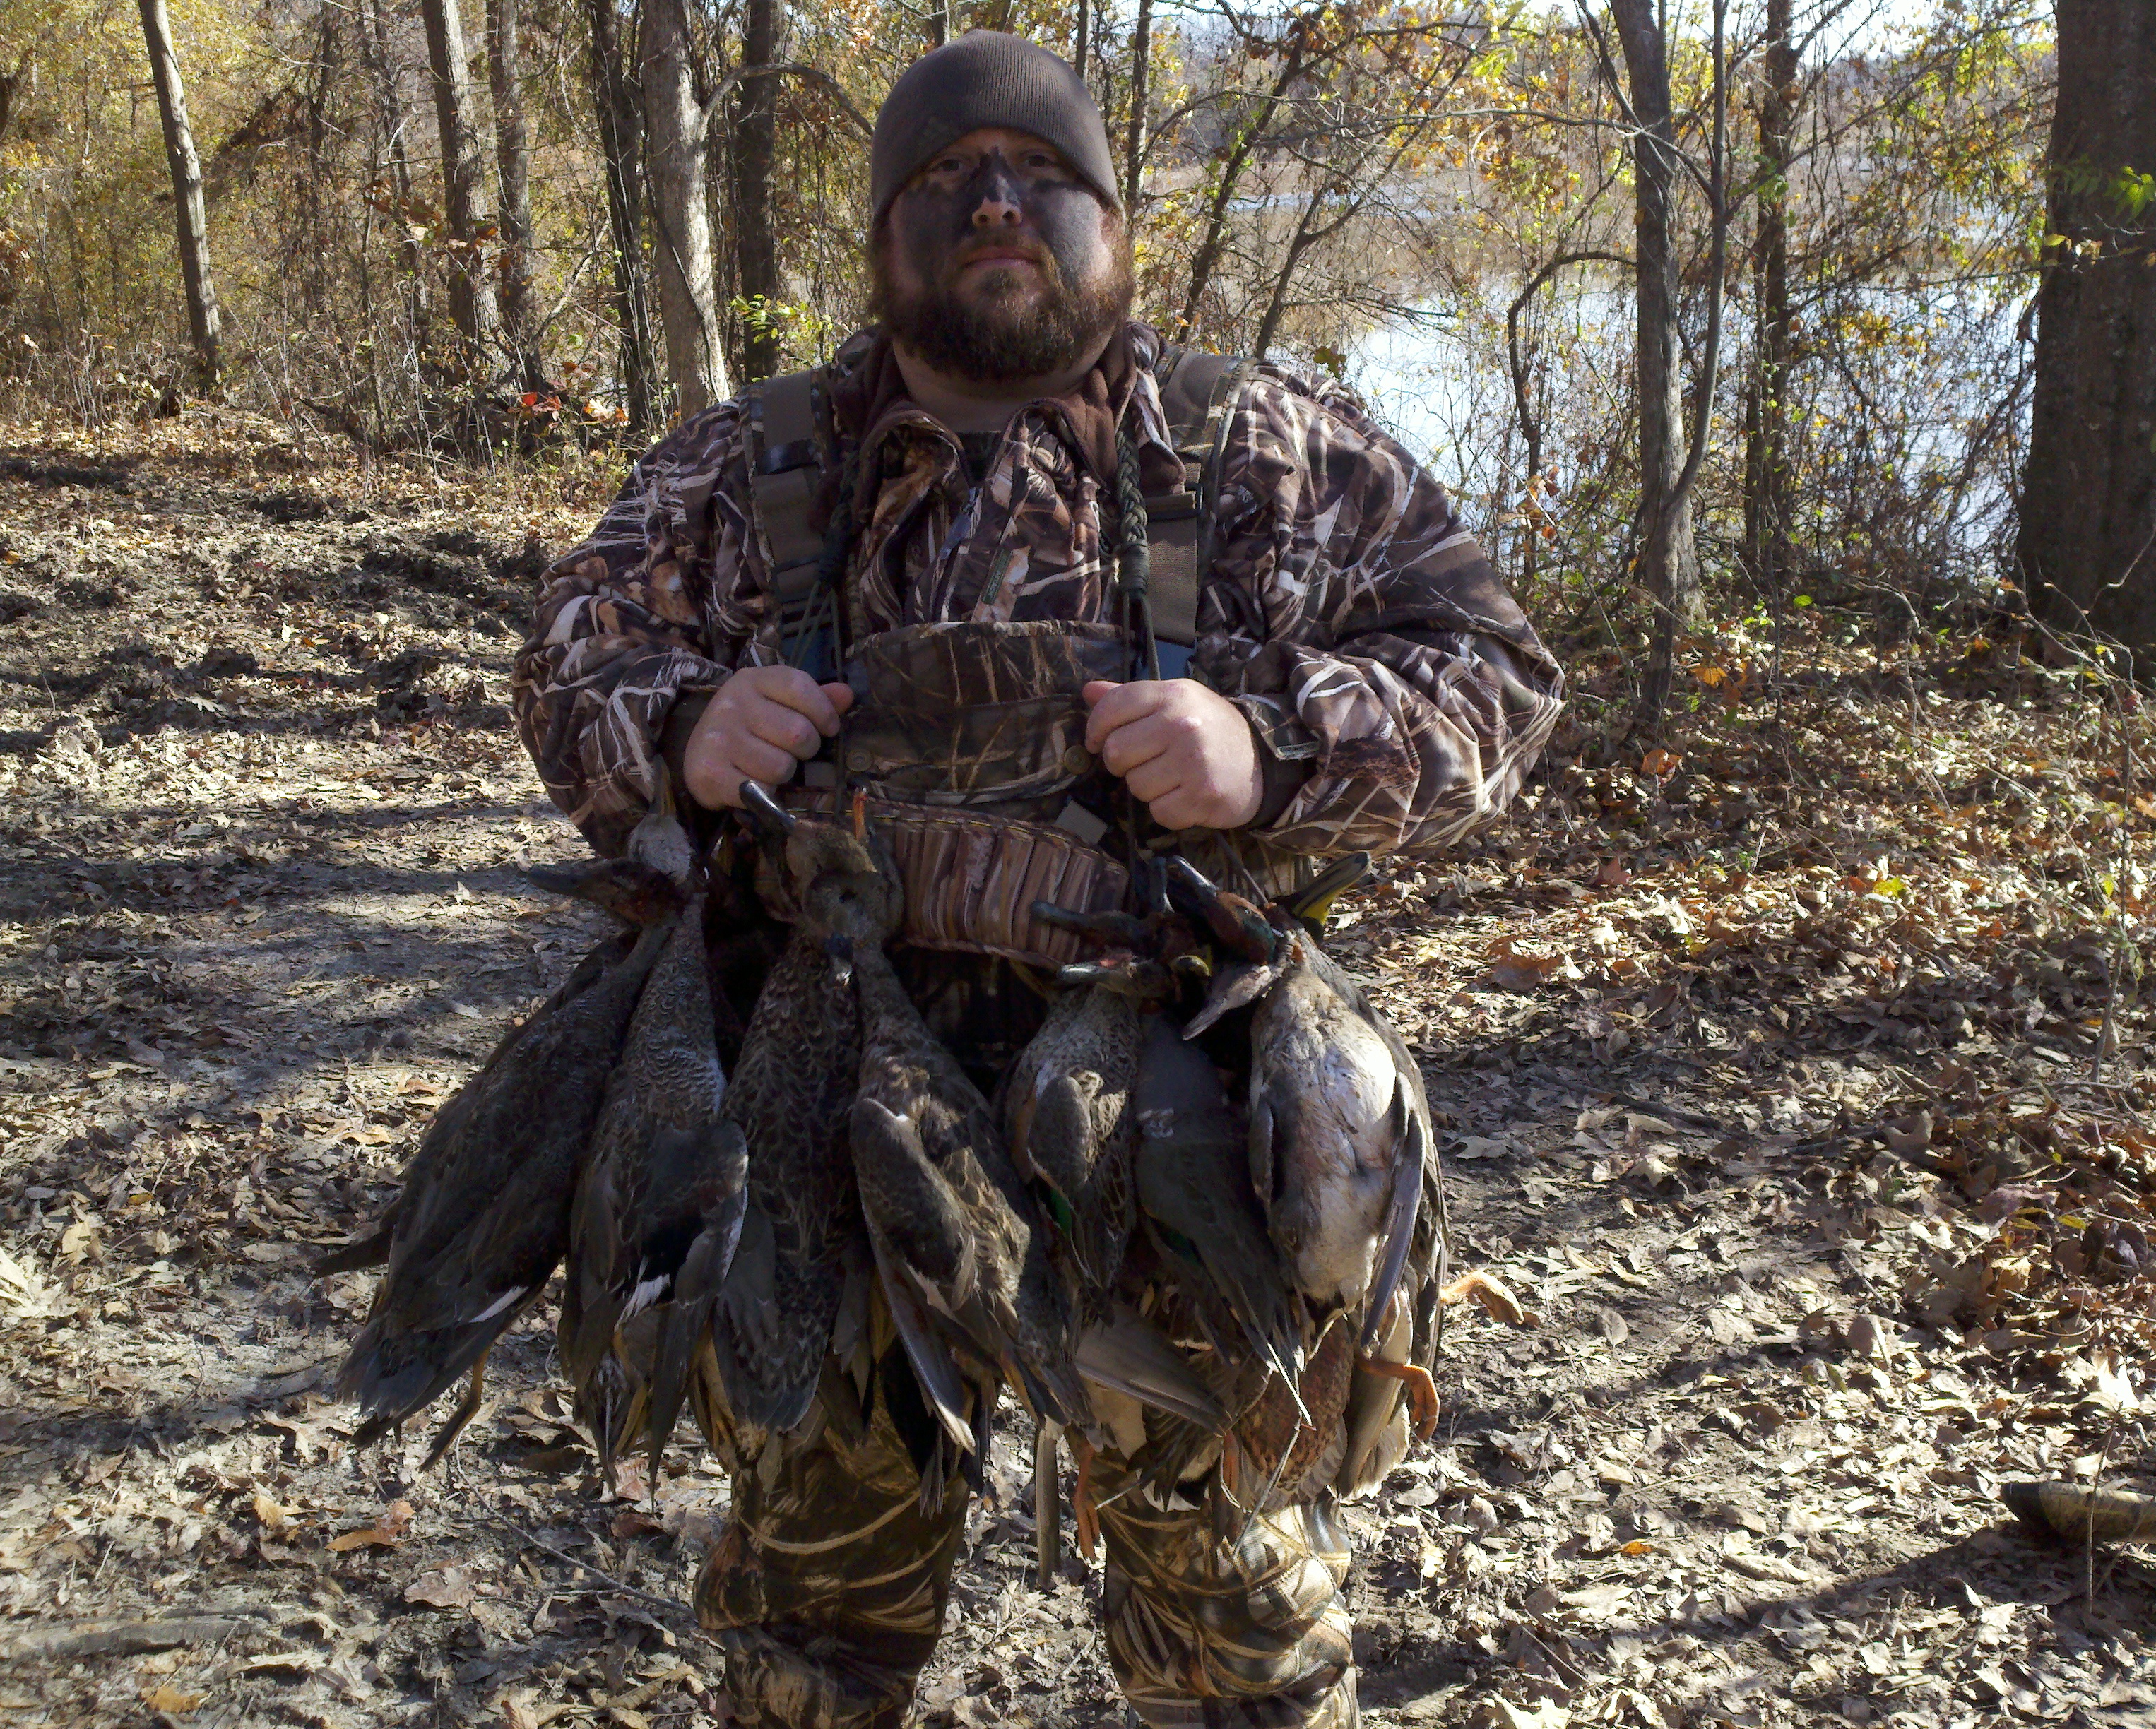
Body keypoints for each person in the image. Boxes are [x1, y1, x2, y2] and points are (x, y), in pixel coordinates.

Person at [514, 31, 1563, 1729]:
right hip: (819, 1096)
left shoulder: (1266, 449)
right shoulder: (752, 463)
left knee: (1235, 1620)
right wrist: (682, 725)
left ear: (1111, 222)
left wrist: (1270, 745)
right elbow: (564, 665)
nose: (996, 201)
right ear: (884, 236)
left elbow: (1499, 678)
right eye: (945, 177)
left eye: (1042, 173)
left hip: (1179, 1093)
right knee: (812, 1613)